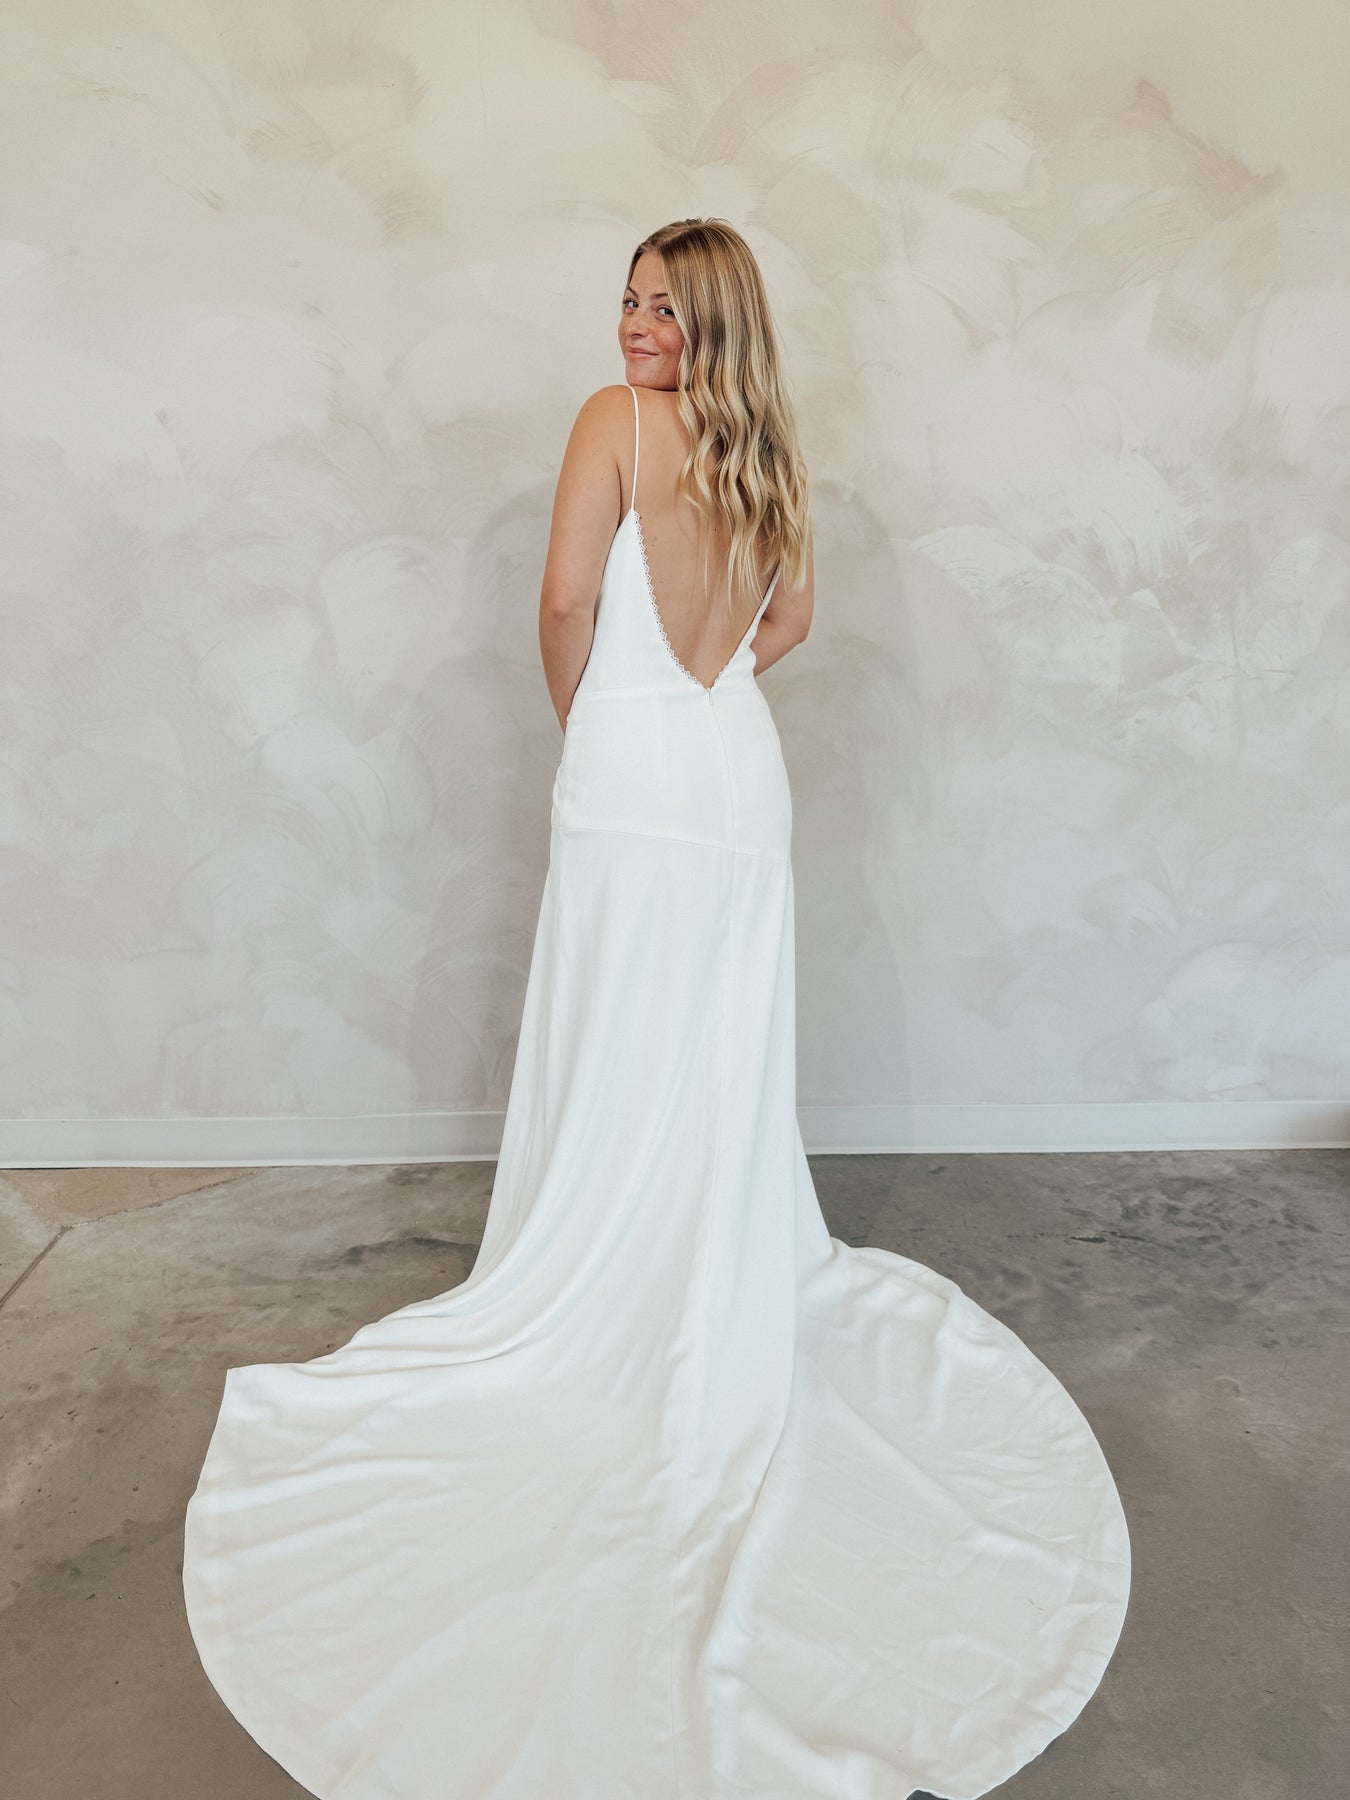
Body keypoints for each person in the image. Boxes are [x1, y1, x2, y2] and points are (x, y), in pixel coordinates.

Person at [183, 218, 1130, 1799]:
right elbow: (788, 625)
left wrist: (602, 722)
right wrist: (698, 702)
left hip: (629, 771)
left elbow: (563, 605)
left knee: (619, 1037)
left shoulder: (610, 424)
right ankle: (699, 1283)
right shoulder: (770, 449)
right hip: (732, 772)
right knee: (711, 1053)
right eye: (625, 302)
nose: (633, 328)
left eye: (663, 309)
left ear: (711, 325)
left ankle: (600, 1282)